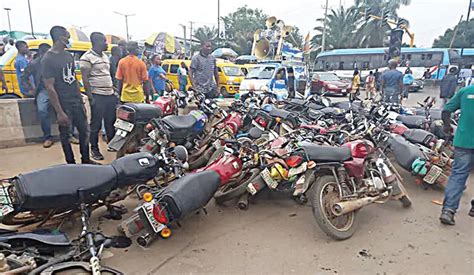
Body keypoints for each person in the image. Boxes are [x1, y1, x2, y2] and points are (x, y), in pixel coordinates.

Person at [42, 25, 97, 165]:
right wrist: (59, 112)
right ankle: (71, 164)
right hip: (63, 103)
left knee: (84, 132)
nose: (69, 39)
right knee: (66, 136)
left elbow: (73, 80)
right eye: (67, 36)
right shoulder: (48, 59)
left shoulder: (68, 56)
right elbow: (50, 87)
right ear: (61, 38)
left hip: (76, 101)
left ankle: (85, 160)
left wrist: (81, 100)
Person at [439, 84, 474, 225]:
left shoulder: (466, 91)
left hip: (464, 141)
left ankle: (448, 210)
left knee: (458, 175)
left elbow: (446, 110)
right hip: (464, 142)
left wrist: (447, 126)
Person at [80, 32, 117, 161]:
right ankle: (94, 149)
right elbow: (85, 79)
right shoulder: (87, 57)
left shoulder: (105, 57)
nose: (106, 44)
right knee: (95, 124)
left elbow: (106, 75)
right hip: (97, 95)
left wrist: (113, 88)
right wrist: (90, 97)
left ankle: (111, 144)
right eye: (104, 41)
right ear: (96, 42)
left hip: (109, 94)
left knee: (110, 121)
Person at [21, 43, 53, 148]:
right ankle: (47, 137)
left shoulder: (54, 62)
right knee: (42, 111)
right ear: (42, 53)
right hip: (43, 90)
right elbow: (24, 76)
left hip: (57, 89)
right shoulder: (34, 63)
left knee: (67, 108)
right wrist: (30, 90)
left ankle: (69, 135)